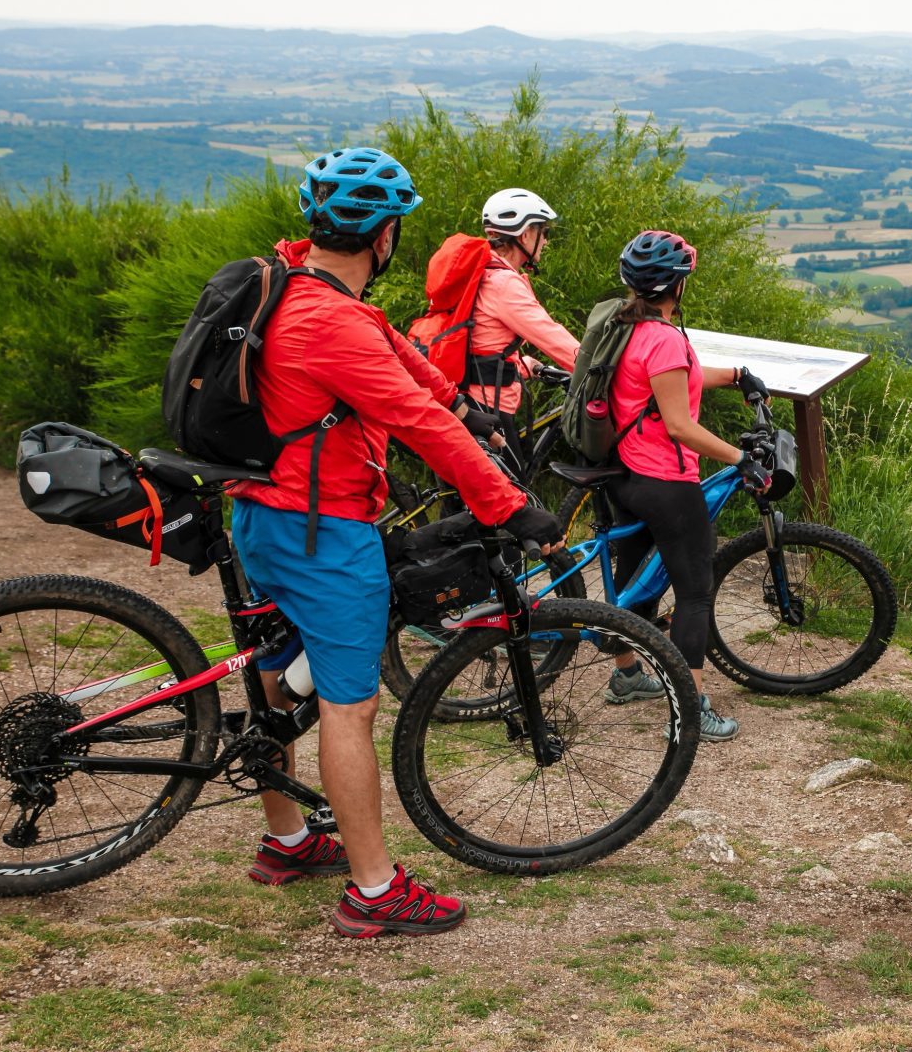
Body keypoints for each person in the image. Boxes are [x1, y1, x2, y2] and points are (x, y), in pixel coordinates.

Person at [230, 147, 563, 936]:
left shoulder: (292, 281)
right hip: (323, 529)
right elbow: (419, 425)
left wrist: (465, 402)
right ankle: (375, 891)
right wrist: (512, 505)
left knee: (278, 677)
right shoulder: (331, 317)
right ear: (384, 235)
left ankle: (286, 842)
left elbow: (400, 355)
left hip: (264, 515)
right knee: (351, 705)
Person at [598, 230, 769, 742]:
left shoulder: (624, 325)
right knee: (695, 594)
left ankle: (627, 675)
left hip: (625, 476)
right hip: (667, 482)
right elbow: (680, 424)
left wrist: (736, 374)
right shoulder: (666, 337)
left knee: (633, 583)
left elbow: (676, 378)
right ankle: (689, 711)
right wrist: (742, 458)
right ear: (676, 285)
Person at [463, 188, 582, 468]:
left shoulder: (482, 272)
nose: (546, 242)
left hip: (467, 402)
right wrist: (600, 370)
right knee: (515, 502)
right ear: (525, 234)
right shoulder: (504, 284)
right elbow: (553, 338)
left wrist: (523, 365)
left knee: (470, 502)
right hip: (489, 409)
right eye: (543, 231)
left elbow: (481, 341)